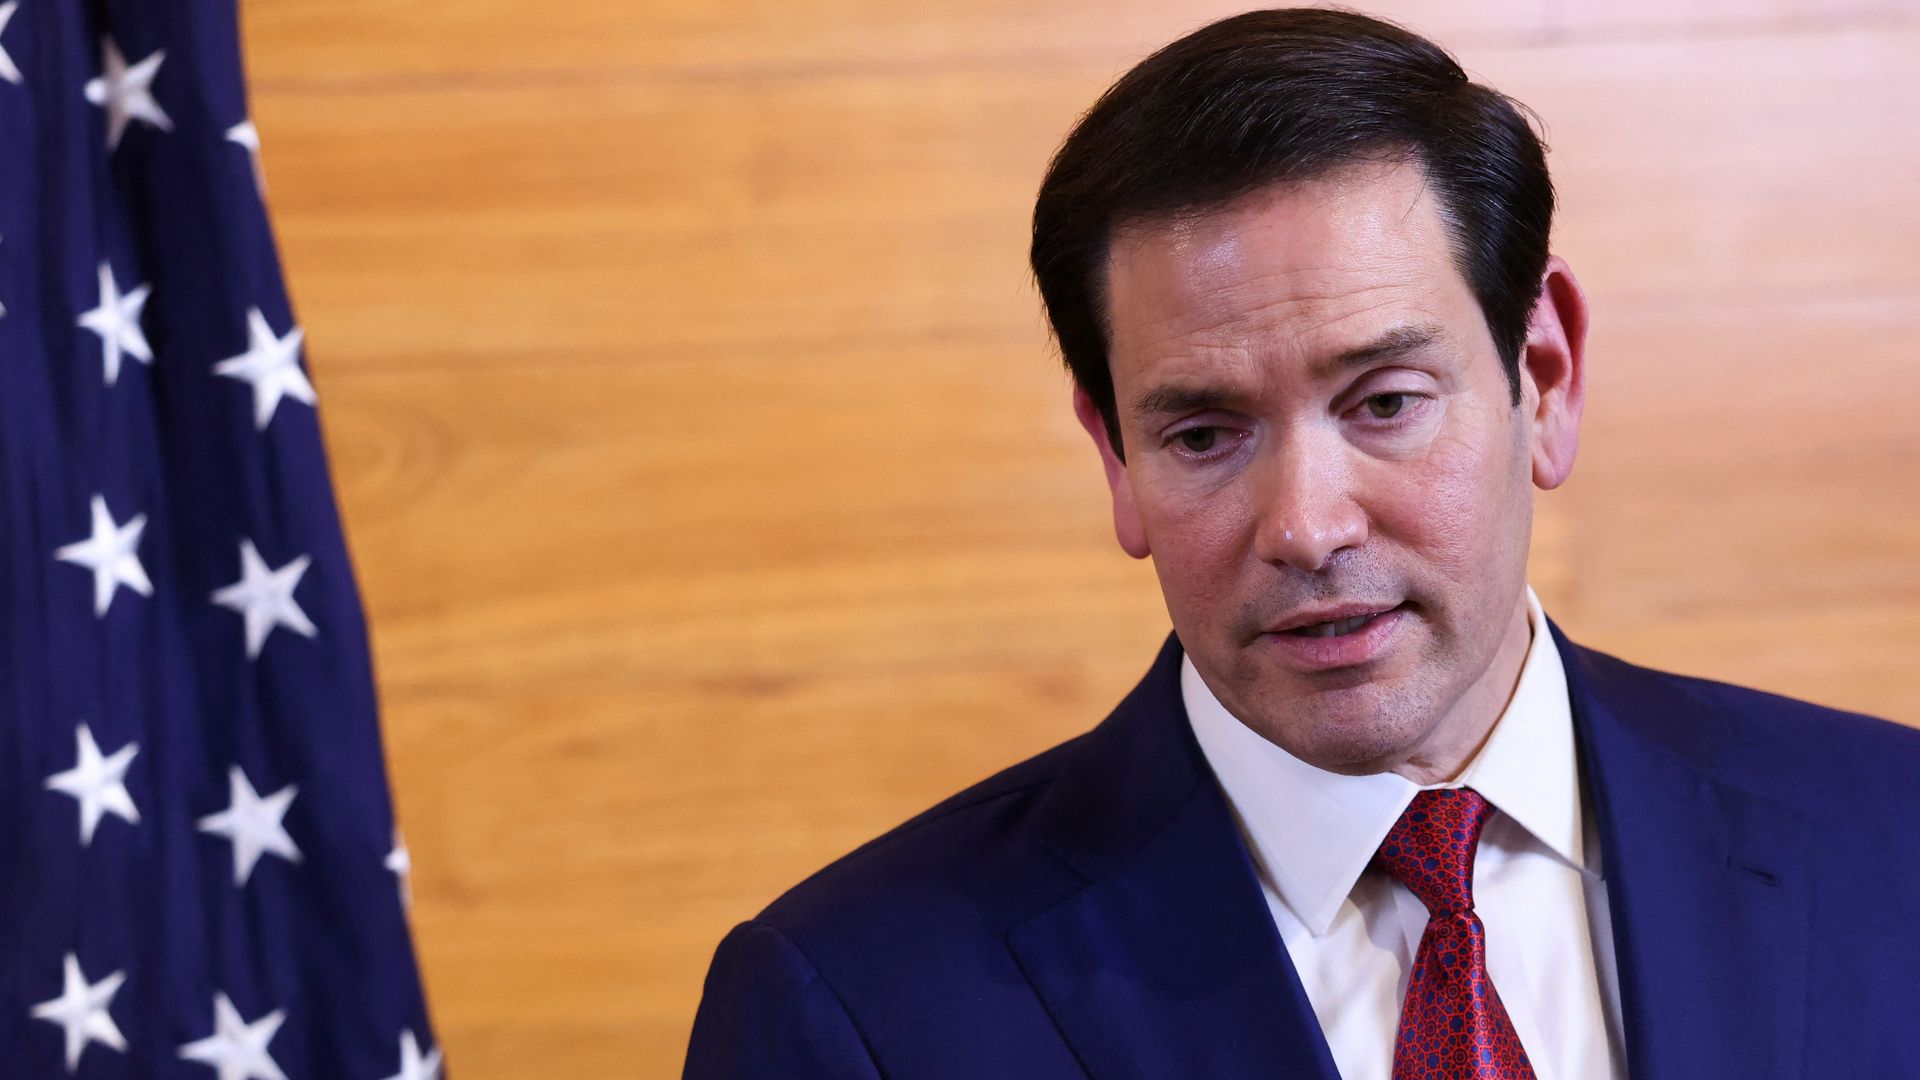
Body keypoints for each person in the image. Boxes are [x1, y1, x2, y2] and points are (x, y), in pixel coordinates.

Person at [683, 9, 1920, 1078]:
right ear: (1116, 459)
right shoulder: (854, 1008)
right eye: (1205, 434)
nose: (1307, 526)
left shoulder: (1891, 840)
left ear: (1543, 376)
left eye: (1385, 403)